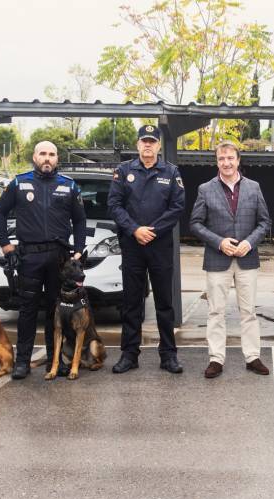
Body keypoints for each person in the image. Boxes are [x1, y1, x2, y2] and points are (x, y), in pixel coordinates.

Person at [0, 141, 87, 379]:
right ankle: (22, 362)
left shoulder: (69, 186)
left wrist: (78, 250)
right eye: (43, 154)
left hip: (59, 258)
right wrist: (6, 245)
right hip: (29, 256)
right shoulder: (19, 183)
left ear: (57, 159)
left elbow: (80, 221)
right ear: (35, 157)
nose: (47, 158)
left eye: (52, 154)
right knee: (28, 310)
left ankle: (55, 362)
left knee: (57, 312)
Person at [107, 124, 185, 374]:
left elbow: (177, 206)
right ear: (138, 144)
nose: (148, 145)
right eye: (144, 141)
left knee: (164, 303)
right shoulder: (124, 171)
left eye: (152, 141)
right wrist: (134, 230)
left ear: (159, 145)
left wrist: (151, 230)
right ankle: (129, 354)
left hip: (160, 246)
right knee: (131, 302)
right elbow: (114, 205)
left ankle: (168, 355)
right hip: (132, 246)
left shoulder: (171, 172)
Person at [189, 141, 271, 378]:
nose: (226, 163)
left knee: (249, 311)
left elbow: (265, 222)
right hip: (217, 259)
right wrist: (219, 242)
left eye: (230, 158)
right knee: (216, 312)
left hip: (247, 259)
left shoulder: (254, 188)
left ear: (238, 160)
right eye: (221, 159)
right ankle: (216, 359)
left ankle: (252, 356)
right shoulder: (206, 189)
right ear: (217, 162)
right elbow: (195, 223)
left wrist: (249, 243)